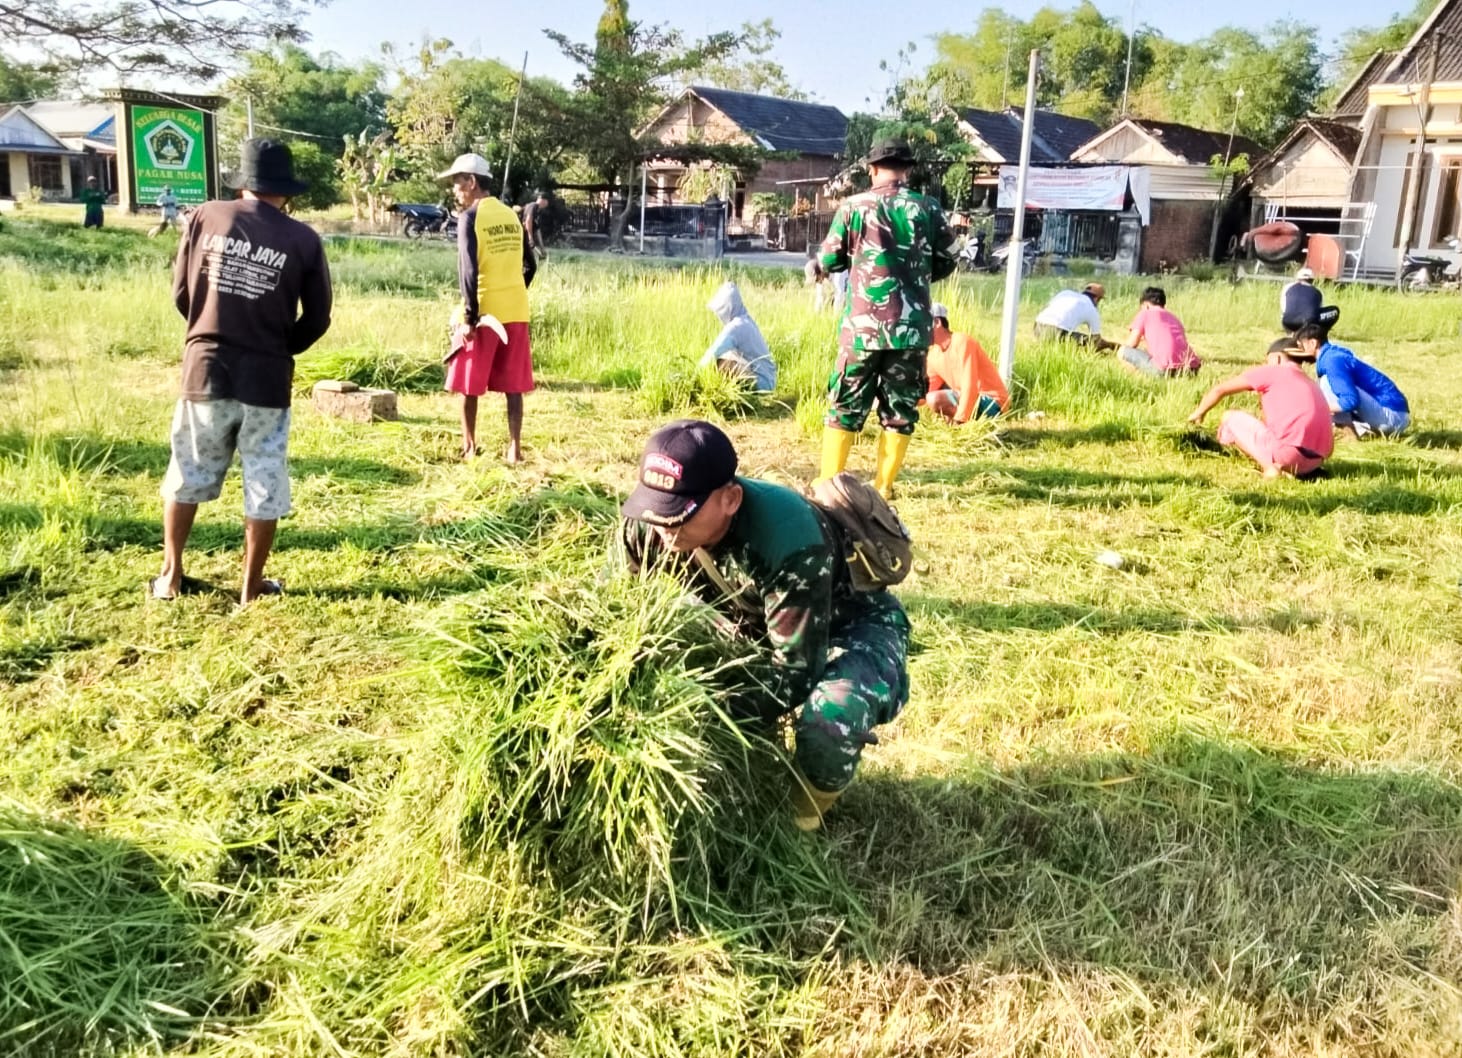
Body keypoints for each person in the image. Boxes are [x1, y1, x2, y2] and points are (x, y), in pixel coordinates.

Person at [618, 419, 911, 831]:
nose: (663, 526)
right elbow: (619, 611)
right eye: (655, 506)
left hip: (848, 624)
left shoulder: (789, 541)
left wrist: (697, 713)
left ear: (731, 499)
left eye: (679, 513)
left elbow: (794, 672)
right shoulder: (649, 524)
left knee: (831, 715)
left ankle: (800, 825)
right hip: (759, 622)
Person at [152, 139, 332, 604]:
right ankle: (251, 587)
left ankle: (170, 577)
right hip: (266, 381)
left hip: (205, 369)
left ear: (244, 184)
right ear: (286, 190)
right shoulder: (303, 239)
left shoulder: (204, 217)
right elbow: (317, 318)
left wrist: (210, 329)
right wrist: (275, 348)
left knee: (188, 469)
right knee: (263, 478)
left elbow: (181, 294)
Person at [818, 135, 958, 500]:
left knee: (845, 404)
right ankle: (883, 487)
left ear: (871, 169)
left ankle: (829, 485)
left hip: (862, 328)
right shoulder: (928, 209)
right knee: (900, 409)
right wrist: (916, 277)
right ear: (908, 171)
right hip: (911, 330)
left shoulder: (853, 207)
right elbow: (949, 259)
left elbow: (829, 260)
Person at [442, 153, 536, 463]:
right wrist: (514, 291)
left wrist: (470, 316)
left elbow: (467, 270)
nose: (455, 190)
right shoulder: (511, 215)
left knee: (470, 383)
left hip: (485, 313)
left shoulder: (470, 217)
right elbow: (530, 264)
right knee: (514, 385)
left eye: (457, 183)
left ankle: (469, 447)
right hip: (516, 309)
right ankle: (515, 449)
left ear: (471, 182)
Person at [1187, 337, 1333, 479]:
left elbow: (1220, 390)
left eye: (1267, 360)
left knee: (1229, 418)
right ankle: (1291, 470)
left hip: (1287, 454)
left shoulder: (1274, 371)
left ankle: (1270, 468)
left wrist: (1198, 413)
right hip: (1315, 460)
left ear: (1277, 358)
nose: (1265, 363)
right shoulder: (1310, 382)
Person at [1293, 323, 1410, 438]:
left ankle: (1347, 434)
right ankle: (1356, 428)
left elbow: (1350, 401)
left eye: (1300, 347)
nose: (1299, 352)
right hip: (1391, 415)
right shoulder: (1332, 357)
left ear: (1313, 343)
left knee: (1327, 383)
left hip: (1392, 417)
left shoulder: (1332, 361)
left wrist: (1320, 409)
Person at [925, 303, 1008, 422]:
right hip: (967, 398)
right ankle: (958, 421)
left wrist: (960, 419)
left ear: (937, 322)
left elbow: (970, 384)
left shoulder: (962, 342)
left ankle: (962, 423)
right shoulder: (933, 354)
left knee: (934, 399)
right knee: (933, 396)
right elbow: (928, 388)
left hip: (992, 403)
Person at [698, 281, 776, 391]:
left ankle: (735, 393)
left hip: (763, 383)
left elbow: (713, 353)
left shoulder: (736, 326)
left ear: (726, 308)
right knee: (728, 355)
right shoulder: (745, 320)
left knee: (721, 363)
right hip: (768, 378)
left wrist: (695, 375)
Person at [1117, 286, 1200, 377]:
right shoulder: (1174, 318)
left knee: (1122, 351)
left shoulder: (1145, 313)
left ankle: (1140, 379)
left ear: (1146, 305)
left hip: (1164, 369)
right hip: (1191, 369)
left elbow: (1131, 344)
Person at [1034, 283, 1117, 349]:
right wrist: (1111, 345)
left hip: (1038, 326)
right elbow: (1096, 341)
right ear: (1097, 299)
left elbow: (1047, 306)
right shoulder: (1092, 309)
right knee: (1090, 343)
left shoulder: (1065, 293)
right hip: (1058, 332)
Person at [1280, 268, 1339, 334]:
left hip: (1287, 322)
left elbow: (1283, 308)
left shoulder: (1287, 287)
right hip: (1308, 323)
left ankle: (1290, 332)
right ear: (1312, 280)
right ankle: (1320, 333)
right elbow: (1318, 310)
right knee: (1335, 310)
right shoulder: (1318, 291)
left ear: (1297, 278)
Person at [521, 189, 551, 260]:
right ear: (544, 200)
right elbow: (528, 221)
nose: (548, 203)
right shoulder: (533, 206)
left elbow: (537, 230)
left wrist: (542, 248)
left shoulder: (537, 211)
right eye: (548, 201)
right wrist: (530, 238)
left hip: (524, 235)